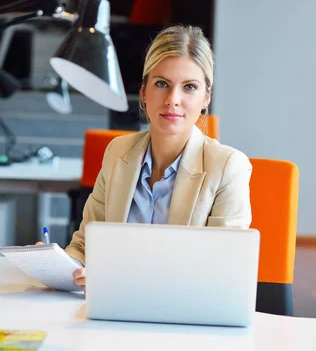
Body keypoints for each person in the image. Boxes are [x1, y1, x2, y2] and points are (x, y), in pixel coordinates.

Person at [44, 25, 252, 292]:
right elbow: (85, 246)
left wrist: (118, 279)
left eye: (189, 87)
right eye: (162, 84)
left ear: (205, 97)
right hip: (111, 310)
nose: (172, 100)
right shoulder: (118, 152)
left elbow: (224, 269)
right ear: (143, 92)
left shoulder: (227, 167)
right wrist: (60, 265)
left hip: (185, 318)